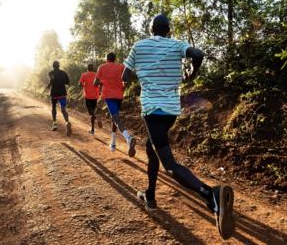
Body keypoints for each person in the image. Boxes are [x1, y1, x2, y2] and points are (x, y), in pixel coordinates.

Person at [122, 14, 235, 239]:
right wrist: (192, 74)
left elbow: (126, 76)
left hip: (153, 110)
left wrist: (144, 75)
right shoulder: (177, 45)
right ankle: (150, 195)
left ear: (151, 28)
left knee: (169, 164)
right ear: (168, 30)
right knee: (151, 149)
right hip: (172, 111)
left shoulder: (139, 46)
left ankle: (211, 195)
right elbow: (198, 54)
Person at [94, 53, 136, 157]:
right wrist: (124, 86)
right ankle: (113, 143)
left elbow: (95, 83)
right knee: (114, 118)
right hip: (119, 96)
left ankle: (128, 138)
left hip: (109, 96)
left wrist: (101, 82)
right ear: (115, 59)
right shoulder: (121, 66)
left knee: (116, 118)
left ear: (106, 59)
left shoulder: (101, 67)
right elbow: (130, 76)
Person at [47, 60, 72, 136]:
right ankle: (67, 122)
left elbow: (51, 80)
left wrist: (48, 85)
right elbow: (68, 83)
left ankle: (54, 124)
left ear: (53, 66)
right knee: (63, 109)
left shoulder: (51, 73)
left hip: (54, 93)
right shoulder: (64, 73)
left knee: (54, 108)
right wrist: (62, 81)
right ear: (59, 66)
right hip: (62, 93)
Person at [79, 63, 102, 134]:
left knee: (91, 114)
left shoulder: (84, 75)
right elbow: (101, 83)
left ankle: (93, 127)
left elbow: (79, 84)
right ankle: (92, 130)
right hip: (95, 96)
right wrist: (100, 91)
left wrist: (84, 85)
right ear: (93, 69)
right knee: (93, 112)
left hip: (88, 96)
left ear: (87, 68)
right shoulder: (96, 75)